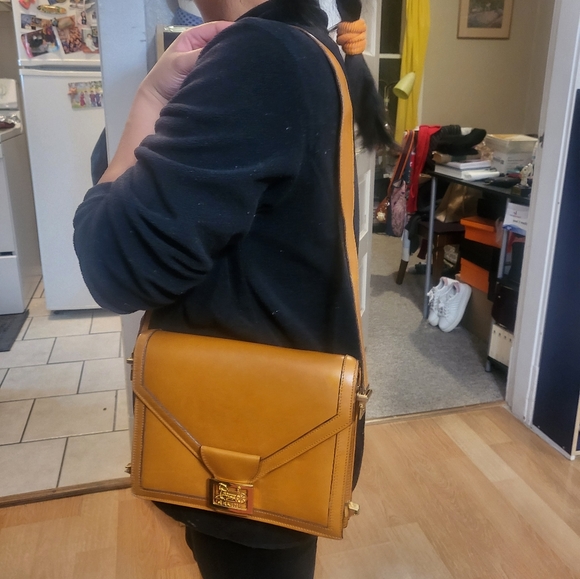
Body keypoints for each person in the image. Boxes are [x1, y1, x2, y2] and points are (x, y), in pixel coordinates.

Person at [73, 1, 394, 577]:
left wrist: (148, 100)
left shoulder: (262, 54)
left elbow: (112, 265)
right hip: (269, 414)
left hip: (243, 430)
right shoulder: (306, 45)